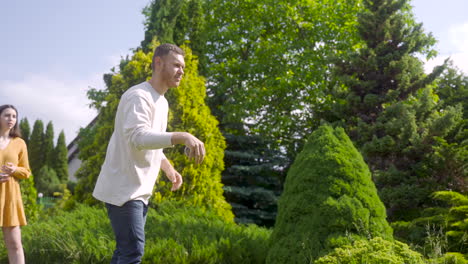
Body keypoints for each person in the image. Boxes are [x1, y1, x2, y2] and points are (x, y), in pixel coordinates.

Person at [93, 43, 206, 263]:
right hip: (124, 189)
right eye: (176, 65)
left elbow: (151, 142)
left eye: (183, 67)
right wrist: (181, 136)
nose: (181, 71)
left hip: (138, 191)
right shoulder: (139, 96)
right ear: (158, 63)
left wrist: (168, 168)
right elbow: (138, 137)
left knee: (124, 252)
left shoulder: (161, 102)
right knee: (132, 252)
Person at [0, 104, 31, 264]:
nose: (10, 119)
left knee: (15, 245)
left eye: (13, 116)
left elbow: (26, 172)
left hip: (10, 198)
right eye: (6, 115)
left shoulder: (19, 143)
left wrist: (14, 170)